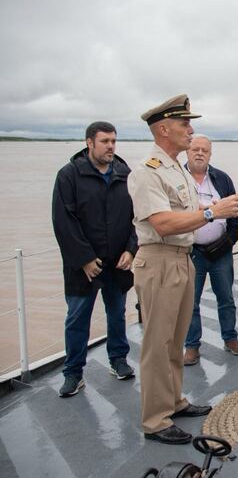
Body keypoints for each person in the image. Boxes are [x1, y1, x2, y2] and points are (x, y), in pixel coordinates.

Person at [128, 94, 238, 445]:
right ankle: (155, 419)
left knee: (176, 340)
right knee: (157, 343)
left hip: (182, 259)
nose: (191, 129)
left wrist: (222, 209)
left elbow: (189, 211)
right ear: (164, 129)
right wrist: (214, 212)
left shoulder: (177, 167)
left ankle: (175, 401)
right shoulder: (148, 171)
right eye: (184, 124)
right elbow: (164, 222)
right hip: (160, 260)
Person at [52, 121, 138, 397]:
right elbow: (64, 221)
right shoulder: (69, 176)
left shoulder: (126, 175)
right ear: (89, 142)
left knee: (117, 314)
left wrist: (131, 249)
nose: (111, 146)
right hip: (83, 266)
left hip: (117, 262)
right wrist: (85, 259)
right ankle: (73, 373)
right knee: (77, 318)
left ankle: (118, 360)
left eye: (114, 140)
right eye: (105, 141)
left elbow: (136, 219)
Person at [182, 135, 238, 366]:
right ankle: (192, 345)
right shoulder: (178, 179)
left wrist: (229, 240)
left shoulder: (221, 178)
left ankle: (230, 338)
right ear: (187, 151)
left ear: (210, 154)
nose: (199, 153)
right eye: (195, 149)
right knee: (190, 301)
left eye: (204, 150)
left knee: (226, 298)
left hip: (220, 252)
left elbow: (235, 212)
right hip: (192, 252)